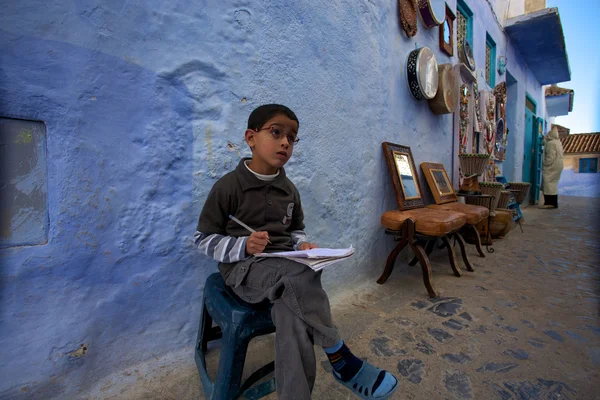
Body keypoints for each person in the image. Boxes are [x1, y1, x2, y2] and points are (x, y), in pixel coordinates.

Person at [195, 104, 398, 399]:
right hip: (244, 272)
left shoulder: (289, 190)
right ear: (251, 138)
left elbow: (295, 229)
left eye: (292, 137)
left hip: (283, 271)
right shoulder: (229, 187)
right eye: (276, 132)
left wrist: (301, 245)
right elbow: (203, 239)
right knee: (298, 275)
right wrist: (242, 245)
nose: (285, 142)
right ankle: (339, 356)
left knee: (291, 315)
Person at [540, 125, 564, 209]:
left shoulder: (551, 143)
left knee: (548, 183)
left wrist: (546, 163)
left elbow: (550, 156)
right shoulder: (558, 142)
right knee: (553, 184)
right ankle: (553, 203)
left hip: (552, 166)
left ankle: (549, 203)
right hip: (558, 166)